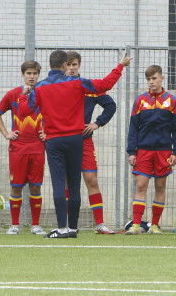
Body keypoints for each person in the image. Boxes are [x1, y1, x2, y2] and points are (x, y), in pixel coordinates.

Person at [19, 50, 132, 238]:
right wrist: (120, 66)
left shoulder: (40, 87)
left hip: (54, 139)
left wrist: (24, 95)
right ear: (64, 65)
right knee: (74, 183)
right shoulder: (78, 83)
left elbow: (24, 111)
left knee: (58, 183)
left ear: (50, 65)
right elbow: (106, 84)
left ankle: (62, 228)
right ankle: (72, 229)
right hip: (76, 139)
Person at [125, 65, 176, 235]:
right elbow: (133, 128)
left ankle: (155, 225)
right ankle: (136, 225)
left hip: (164, 151)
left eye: (154, 78)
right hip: (143, 150)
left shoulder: (172, 101)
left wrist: (175, 152)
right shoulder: (140, 100)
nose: (151, 82)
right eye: (149, 79)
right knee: (141, 185)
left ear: (162, 78)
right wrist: (131, 152)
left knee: (160, 186)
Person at [64, 51, 116, 234]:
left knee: (91, 179)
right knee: (66, 183)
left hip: (84, 141)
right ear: (63, 66)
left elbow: (111, 105)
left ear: (79, 66)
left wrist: (97, 123)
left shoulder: (88, 87)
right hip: (63, 141)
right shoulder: (57, 87)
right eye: (68, 65)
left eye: (74, 64)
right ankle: (70, 225)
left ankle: (100, 224)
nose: (71, 68)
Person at [0, 61, 46, 235]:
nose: (31, 77)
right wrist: (6, 133)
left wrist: (49, 132)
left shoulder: (44, 93)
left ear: (39, 75)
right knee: (16, 186)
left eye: (35, 74)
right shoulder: (13, 94)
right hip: (18, 148)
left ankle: (35, 225)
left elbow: (56, 114)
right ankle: (14, 224)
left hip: (38, 147)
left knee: (36, 187)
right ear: (23, 74)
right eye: (28, 73)